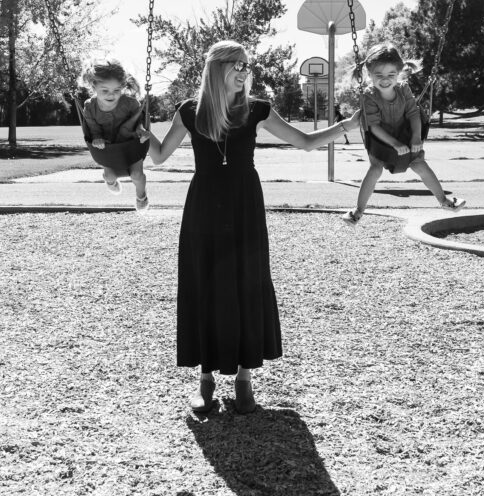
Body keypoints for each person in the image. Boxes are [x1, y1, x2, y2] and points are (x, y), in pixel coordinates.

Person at [147, 40, 360, 414]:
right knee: (206, 282)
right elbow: (160, 156)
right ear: (218, 69)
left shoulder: (258, 109)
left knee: (249, 280)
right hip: (204, 207)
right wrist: (135, 126)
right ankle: (206, 378)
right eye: (238, 65)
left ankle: (245, 378)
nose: (245, 71)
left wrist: (347, 125)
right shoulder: (190, 111)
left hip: (245, 204)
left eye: (247, 65)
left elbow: (306, 142)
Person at [343, 43, 465, 225]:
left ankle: (444, 201)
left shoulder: (403, 89)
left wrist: (416, 137)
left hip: (406, 136)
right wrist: (394, 144)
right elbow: (374, 126)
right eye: (379, 75)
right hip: (381, 142)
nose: (385, 80)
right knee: (375, 170)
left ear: (399, 73)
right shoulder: (369, 95)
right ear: (369, 74)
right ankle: (358, 211)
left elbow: (413, 114)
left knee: (420, 166)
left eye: (391, 75)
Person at [82, 59, 151, 211]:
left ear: (122, 88)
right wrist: (97, 139)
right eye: (105, 90)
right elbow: (93, 130)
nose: (111, 95)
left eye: (116, 90)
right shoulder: (89, 107)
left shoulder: (130, 104)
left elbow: (138, 121)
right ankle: (111, 183)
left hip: (131, 144)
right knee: (109, 176)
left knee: (137, 175)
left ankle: (141, 197)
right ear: (94, 86)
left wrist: (140, 130)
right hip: (108, 148)